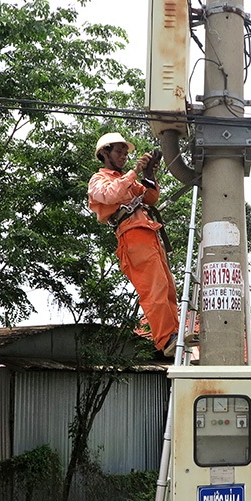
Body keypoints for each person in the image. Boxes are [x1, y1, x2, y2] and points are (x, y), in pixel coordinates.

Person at [88, 132, 181, 357]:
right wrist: (136, 172)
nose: (123, 156)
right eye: (119, 152)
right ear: (104, 153)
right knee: (154, 288)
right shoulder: (99, 180)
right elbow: (111, 195)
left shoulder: (127, 180)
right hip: (132, 236)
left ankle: (175, 334)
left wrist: (149, 175)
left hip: (148, 233)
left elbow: (149, 198)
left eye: (125, 153)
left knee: (168, 287)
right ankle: (166, 337)